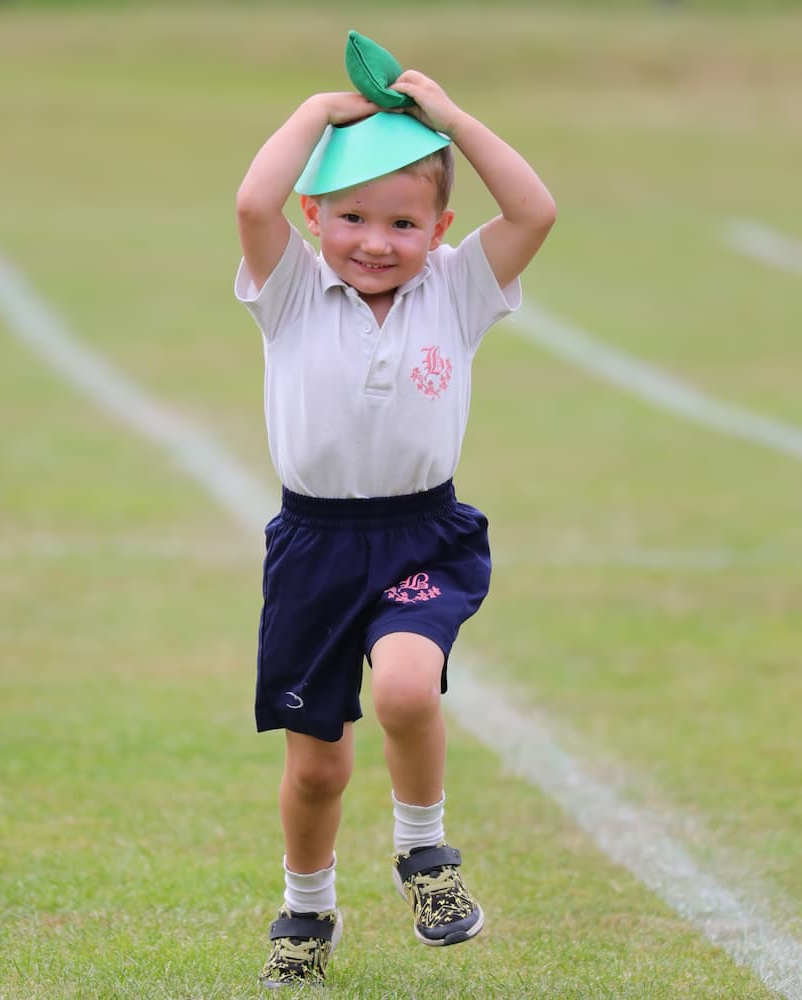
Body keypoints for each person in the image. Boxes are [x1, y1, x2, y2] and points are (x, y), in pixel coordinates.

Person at [234, 62, 555, 989]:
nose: (377, 244)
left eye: (404, 224)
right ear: (315, 218)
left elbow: (534, 212)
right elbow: (254, 200)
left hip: (422, 537)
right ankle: (307, 908)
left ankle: (425, 856)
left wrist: (451, 117)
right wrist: (315, 111)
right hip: (313, 549)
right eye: (354, 219)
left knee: (409, 692)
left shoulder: (456, 291)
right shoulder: (290, 290)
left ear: (441, 231)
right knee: (319, 770)